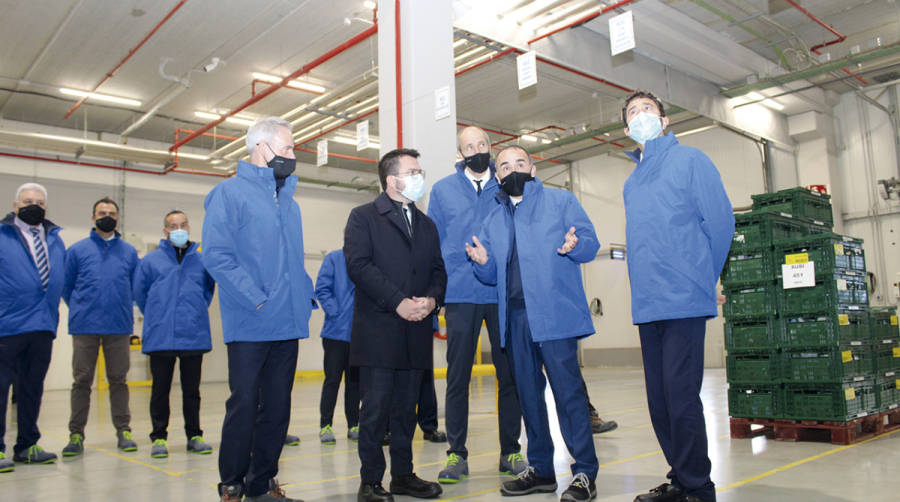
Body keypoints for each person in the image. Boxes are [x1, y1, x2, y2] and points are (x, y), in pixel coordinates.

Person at [466, 145, 600, 502]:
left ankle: (585, 472)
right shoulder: (493, 218)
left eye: (520, 163)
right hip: (515, 319)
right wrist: (481, 262)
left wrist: (577, 243)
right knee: (529, 397)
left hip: (554, 315)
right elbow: (493, 274)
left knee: (568, 396)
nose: (513, 170)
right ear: (497, 176)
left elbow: (589, 242)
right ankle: (541, 470)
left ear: (534, 168)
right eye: (505, 166)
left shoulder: (561, 202)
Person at [621, 90, 734, 502]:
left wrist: (706, 278)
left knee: (681, 397)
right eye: (633, 112)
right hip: (648, 305)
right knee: (660, 400)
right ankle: (681, 478)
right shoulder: (632, 184)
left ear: (664, 121)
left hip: (684, 299)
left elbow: (721, 222)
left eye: (647, 109)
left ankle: (699, 488)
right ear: (627, 129)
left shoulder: (691, 161)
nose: (641, 115)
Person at [203, 116, 315, 502]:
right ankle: (231, 484)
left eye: (292, 148)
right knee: (245, 404)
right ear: (260, 148)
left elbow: (292, 262)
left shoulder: (290, 203)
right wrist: (258, 297)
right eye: (285, 148)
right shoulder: (228, 194)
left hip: (287, 321)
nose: (292, 155)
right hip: (251, 320)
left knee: (278, 409)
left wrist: (304, 293)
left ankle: (262, 484)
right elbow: (217, 256)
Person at [345, 148, 447, 502]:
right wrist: (398, 302)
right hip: (379, 330)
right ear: (392, 180)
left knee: (407, 410)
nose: (420, 176)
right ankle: (370, 481)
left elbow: (437, 270)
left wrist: (432, 300)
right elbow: (359, 267)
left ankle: (403, 475)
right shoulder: (363, 218)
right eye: (413, 171)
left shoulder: (427, 224)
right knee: (375, 411)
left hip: (416, 330)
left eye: (420, 170)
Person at [428, 126, 525, 484]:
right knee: (458, 377)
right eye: (470, 146)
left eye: (482, 144)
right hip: (460, 294)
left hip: (500, 293)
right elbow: (432, 245)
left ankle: (510, 450)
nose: (477, 150)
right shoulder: (442, 191)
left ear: (490, 147)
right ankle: (456, 453)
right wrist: (436, 293)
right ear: (460, 153)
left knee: (509, 374)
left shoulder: (505, 186)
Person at [132, 210, 216, 459]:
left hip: (193, 333)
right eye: (172, 225)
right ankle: (159, 437)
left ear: (188, 227)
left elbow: (208, 291)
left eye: (182, 224)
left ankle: (194, 435)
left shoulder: (202, 261)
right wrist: (158, 314)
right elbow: (140, 293)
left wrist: (194, 311)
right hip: (161, 336)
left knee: (192, 390)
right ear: (164, 231)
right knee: (160, 389)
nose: (177, 229)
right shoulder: (150, 261)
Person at [62, 197, 139, 456]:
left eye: (111, 213)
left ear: (118, 219)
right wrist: (82, 308)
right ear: (93, 217)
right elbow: (66, 286)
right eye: (101, 212)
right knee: (82, 380)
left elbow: (135, 285)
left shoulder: (128, 252)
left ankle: (123, 430)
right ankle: (75, 434)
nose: (107, 216)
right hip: (85, 326)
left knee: (118, 380)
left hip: (118, 326)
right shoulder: (77, 250)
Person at [0, 183, 65, 471]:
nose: (33, 206)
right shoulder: (3, 235)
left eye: (39, 202)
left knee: (31, 388)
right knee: (1, 388)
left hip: (42, 325)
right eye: (27, 201)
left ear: (45, 207)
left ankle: (26, 445)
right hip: (7, 325)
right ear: (15, 206)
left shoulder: (54, 238)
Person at [314, 249, 360, 445]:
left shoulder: (367, 259)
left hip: (359, 334)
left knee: (355, 383)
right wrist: (336, 312)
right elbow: (322, 288)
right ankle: (326, 425)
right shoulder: (333, 259)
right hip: (335, 333)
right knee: (332, 380)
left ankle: (354, 424)